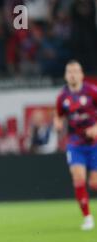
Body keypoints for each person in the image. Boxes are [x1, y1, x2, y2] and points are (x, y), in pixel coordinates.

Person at [54, 60, 97, 230]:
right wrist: (57, 123)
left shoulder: (92, 92)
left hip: (94, 143)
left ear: (81, 74)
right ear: (66, 75)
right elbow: (58, 115)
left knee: (94, 183)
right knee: (78, 178)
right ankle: (87, 217)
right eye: (69, 71)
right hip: (75, 143)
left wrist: (95, 127)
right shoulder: (62, 97)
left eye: (76, 71)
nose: (72, 74)